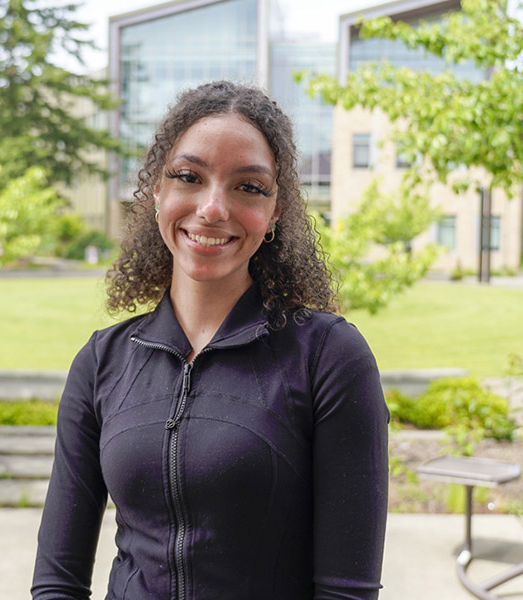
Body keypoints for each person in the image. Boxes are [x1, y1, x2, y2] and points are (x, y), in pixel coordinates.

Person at [32, 80, 389, 600]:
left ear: (274, 213)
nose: (213, 208)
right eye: (188, 177)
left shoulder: (329, 358)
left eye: (248, 186)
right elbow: (56, 581)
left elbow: (347, 592)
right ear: (157, 191)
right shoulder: (101, 362)